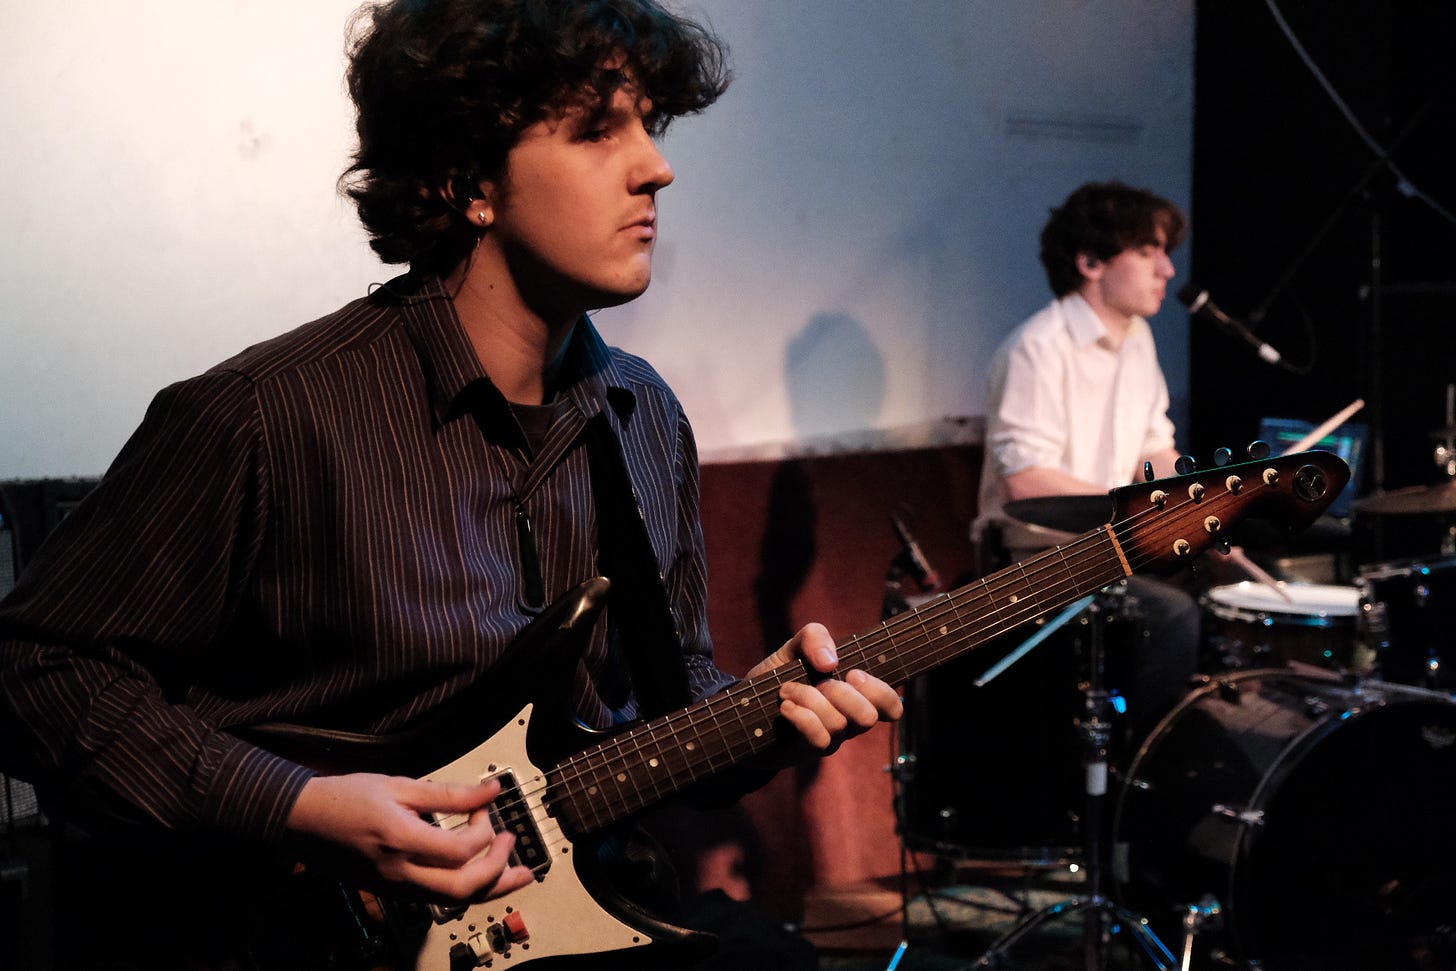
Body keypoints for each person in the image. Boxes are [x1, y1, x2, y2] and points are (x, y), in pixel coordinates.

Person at [0, 2, 902, 968]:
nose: (656, 167)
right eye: (598, 130)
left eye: (650, 125)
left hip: (560, 921)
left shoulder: (642, 415)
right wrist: (299, 805)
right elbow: (31, 670)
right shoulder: (264, 415)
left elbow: (655, 720)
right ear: (467, 180)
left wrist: (752, 720)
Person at [973, 180, 1201, 739]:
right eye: (1147, 252)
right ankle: (1131, 768)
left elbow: (1153, 450)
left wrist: (1203, 500)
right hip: (1034, 564)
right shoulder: (1037, 348)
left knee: (1224, 589)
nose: (1167, 270)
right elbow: (1027, 484)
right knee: (1171, 615)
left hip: (1111, 553)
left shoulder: (1137, 339)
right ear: (1091, 262)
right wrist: (1141, 511)